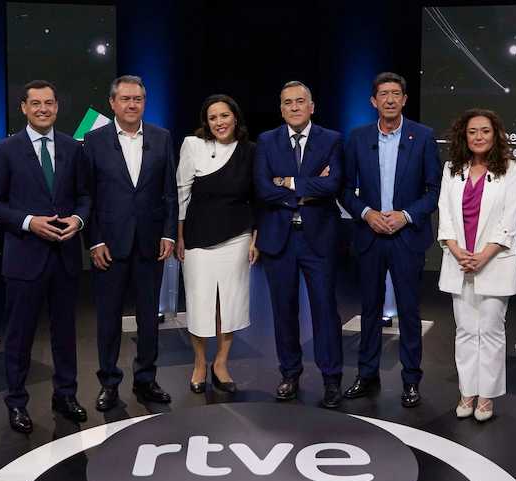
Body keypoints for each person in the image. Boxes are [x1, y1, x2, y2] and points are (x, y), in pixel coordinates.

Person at [0, 80, 91, 434]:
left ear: (57, 107)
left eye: (49, 103)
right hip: (24, 258)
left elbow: (85, 197)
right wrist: (29, 222)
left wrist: (78, 219)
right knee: (19, 336)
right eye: (35, 103)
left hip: (65, 256)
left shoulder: (74, 148)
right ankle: (16, 402)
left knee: (65, 334)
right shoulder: (6, 149)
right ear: (24, 109)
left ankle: (66, 395)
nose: (43, 108)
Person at [341, 72, 440, 408]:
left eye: (396, 93)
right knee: (369, 310)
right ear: (373, 101)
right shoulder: (357, 137)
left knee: (409, 312)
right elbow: (344, 188)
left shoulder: (423, 136)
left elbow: (433, 190)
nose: (389, 100)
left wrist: (405, 216)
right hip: (370, 235)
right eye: (383, 94)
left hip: (406, 236)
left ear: (404, 99)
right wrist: (367, 213)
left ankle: (411, 380)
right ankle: (367, 374)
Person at [84, 75, 178, 411]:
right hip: (109, 244)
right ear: (112, 103)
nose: (131, 104)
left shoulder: (162, 137)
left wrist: (169, 233)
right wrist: (94, 240)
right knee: (108, 318)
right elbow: (87, 196)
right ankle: (109, 383)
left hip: (150, 243)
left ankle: (146, 379)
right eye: (125, 99)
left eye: (137, 99)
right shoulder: (93, 140)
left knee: (149, 319)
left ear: (144, 102)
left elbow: (170, 192)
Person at [254, 81, 344, 408]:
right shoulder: (266, 141)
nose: (294, 107)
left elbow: (332, 184)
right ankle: (289, 374)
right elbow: (263, 189)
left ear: (312, 106)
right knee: (283, 312)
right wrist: (308, 186)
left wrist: (287, 182)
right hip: (279, 239)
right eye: (288, 102)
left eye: (300, 101)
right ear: (281, 108)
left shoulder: (332, 139)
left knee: (325, 311)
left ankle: (331, 379)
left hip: (318, 240)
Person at [437, 108, 516, 422]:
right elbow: (444, 213)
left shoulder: (513, 169)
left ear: (495, 134)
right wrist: (457, 249)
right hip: (458, 260)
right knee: (463, 330)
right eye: (473, 131)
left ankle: (486, 397)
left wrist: (483, 256)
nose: (478, 137)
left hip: (494, 262)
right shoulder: (452, 168)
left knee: (489, 330)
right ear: (464, 135)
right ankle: (467, 392)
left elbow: (509, 220)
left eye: (485, 131)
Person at [175, 94, 258, 394]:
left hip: (237, 236)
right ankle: (199, 362)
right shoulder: (193, 146)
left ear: (235, 117)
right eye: (213, 118)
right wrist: (180, 235)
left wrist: (255, 238)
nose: (219, 122)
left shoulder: (250, 151)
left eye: (224, 116)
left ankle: (221, 363)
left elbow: (257, 197)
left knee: (230, 303)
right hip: (197, 236)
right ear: (206, 123)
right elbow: (182, 192)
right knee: (200, 304)